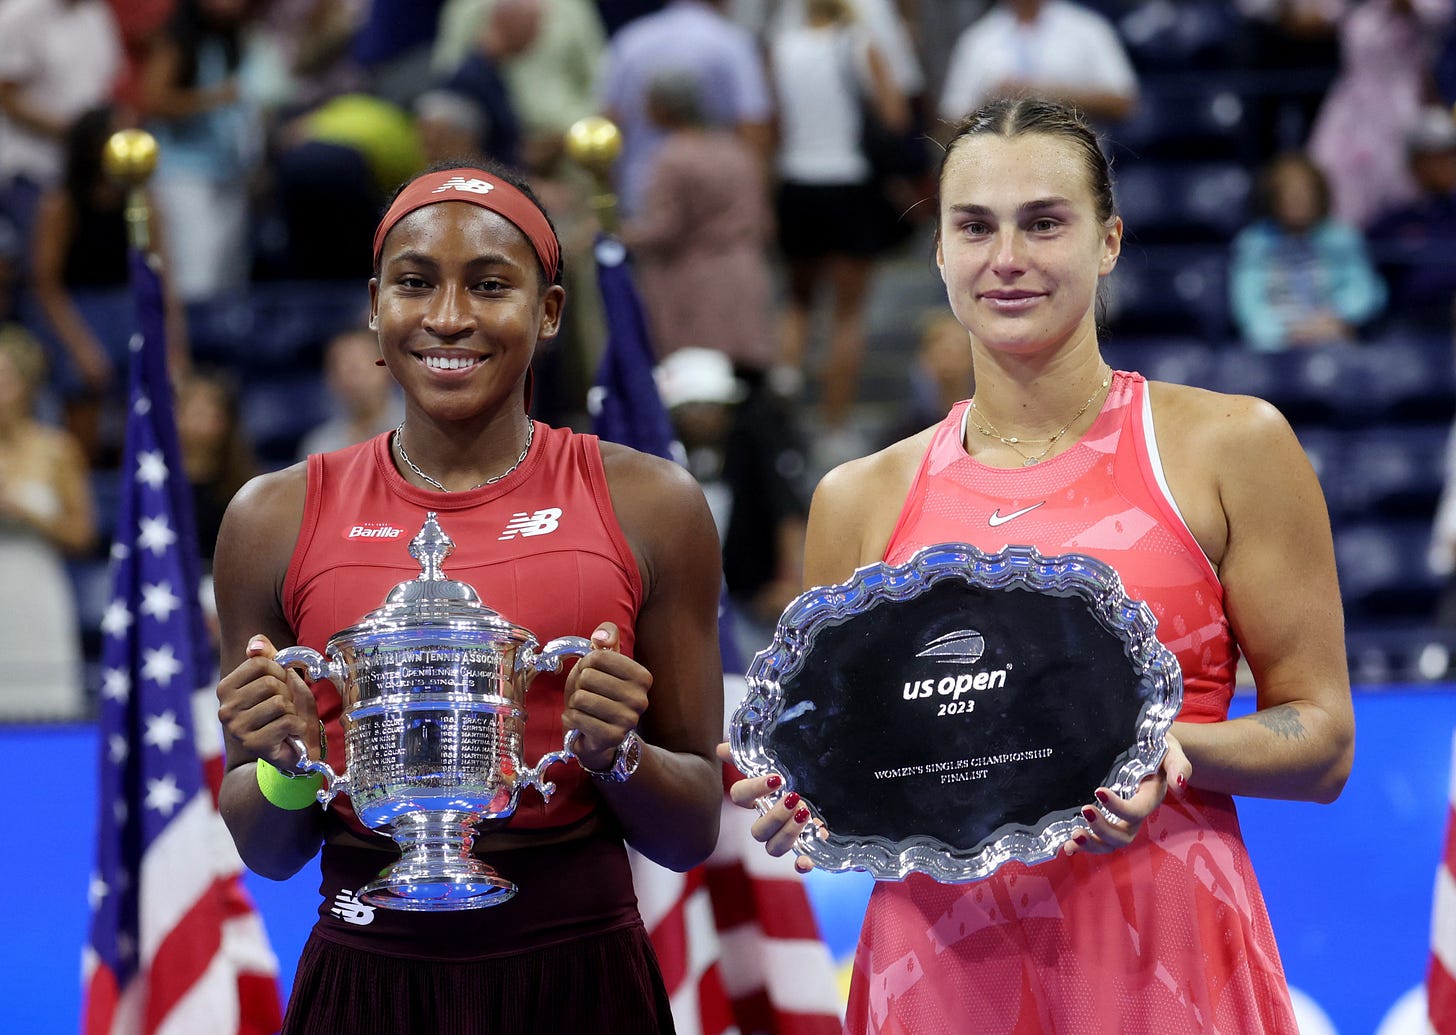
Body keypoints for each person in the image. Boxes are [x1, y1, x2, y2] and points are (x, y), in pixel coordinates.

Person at [723, 97, 1354, 1032]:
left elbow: (1323, 740)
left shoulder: (1230, 445)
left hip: (1159, 948)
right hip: (935, 969)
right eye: (973, 226)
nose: (1006, 258)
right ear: (938, 252)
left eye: (1045, 222)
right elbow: (854, 754)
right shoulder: (856, 498)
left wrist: (1166, 750)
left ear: (1109, 241)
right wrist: (800, 792)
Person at [212, 160, 724, 1033]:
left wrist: (616, 755)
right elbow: (270, 848)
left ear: (549, 311)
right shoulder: (271, 516)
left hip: (583, 982)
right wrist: (289, 765)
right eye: (416, 284)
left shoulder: (650, 504)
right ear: (375, 305)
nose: (449, 317)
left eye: (490, 285)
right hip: (365, 978)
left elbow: (691, 831)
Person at [767, 0, 913, 459]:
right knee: (847, 316)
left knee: (797, 304)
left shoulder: (779, 47)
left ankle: (783, 415)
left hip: (796, 184)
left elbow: (773, 124)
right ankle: (833, 428)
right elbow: (895, 116)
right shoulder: (859, 42)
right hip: (848, 184)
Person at [618, 71, 779, 373]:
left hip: (694, 284)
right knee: (745, 376)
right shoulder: (737, 149)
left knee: (699, 383)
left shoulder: (674, 157)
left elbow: (665, 228)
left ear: (664, 108)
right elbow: (762, 218)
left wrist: (617, 235)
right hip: (746, 271)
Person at [0, 323, 97, 720]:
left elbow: (83, 535)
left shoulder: (56, 449)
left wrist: (26, 514)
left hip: (36, 584)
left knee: (42, 707)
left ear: (27, 384)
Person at [1229, 149, 1387, 350]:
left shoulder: (1343, 237)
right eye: (1290, 194)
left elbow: (1365, 291)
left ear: (1319, 195)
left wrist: (1335, 318)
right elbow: (1248, 305)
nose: (1299, 201)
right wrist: (1285, 333)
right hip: (1273, 347)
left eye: (1305, 193)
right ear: (1274, 198)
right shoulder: (1253, 242)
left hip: (1332, 335)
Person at [936, 0, 1138, 129]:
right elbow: (951, 118)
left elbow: (1123, 102)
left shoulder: (1087, 28)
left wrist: (1046, 94)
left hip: (1077, 165)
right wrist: (994, 103)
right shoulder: (978, 39)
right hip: (1000, 169)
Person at [296, 325, 406, 460]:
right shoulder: (320, 446)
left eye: (359, 366)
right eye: (341, 367)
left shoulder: (420, 433)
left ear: (387, 367)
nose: (353, 377)